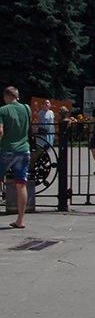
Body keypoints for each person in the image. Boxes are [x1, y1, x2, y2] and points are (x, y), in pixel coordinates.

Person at [0, 86, 33, 228]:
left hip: (6, 150)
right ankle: (20, 220)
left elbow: (0, 131)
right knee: (21, 184)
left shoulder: (2, 110)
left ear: (7, 96)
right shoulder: (26, 108)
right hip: (23, 150)